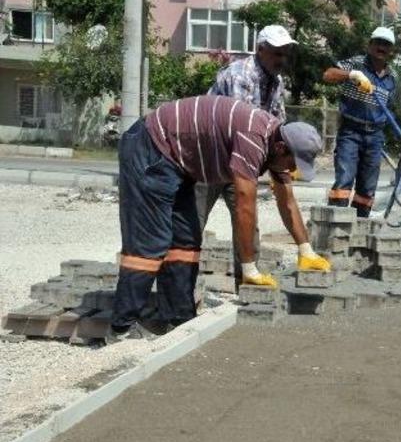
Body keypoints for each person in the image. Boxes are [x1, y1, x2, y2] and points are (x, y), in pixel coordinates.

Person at [110, 95, 330, 342]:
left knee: (185, 241)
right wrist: (248, 267)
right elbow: (245, 207)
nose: (292, 170)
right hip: (151, 146)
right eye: (293, 163)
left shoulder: (276, 143)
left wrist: (305, 249)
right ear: (280, 148)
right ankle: (121, 328)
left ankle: (178, 318)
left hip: (180, 164)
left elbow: (287, 201)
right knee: (150, 243)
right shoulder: (253, 138)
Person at [199, 25, 296, 288]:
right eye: (276, 53)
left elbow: (276, 124)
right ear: (260, 50)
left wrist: (283, 160)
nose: (281, 59)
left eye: (284, 54)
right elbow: (240, 125)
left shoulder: (276, 82)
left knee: (247, 221)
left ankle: (247, 285)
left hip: (241, 158)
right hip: (209, 157)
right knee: (193, 221)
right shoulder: (239, 74)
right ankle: (178, 284)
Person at [322, 26, 397, 217]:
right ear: (370, 45)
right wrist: (351, 75)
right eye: (378, 42)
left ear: (391, 50)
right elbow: (328, 74)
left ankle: (361, 223)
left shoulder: (392, 78)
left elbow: (389, 107)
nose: (381, 47)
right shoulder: (356, 64)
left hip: (375, 136)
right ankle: (336, 223)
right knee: (344, 179)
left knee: (368, 187)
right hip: (351, 131)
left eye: (386, 44)